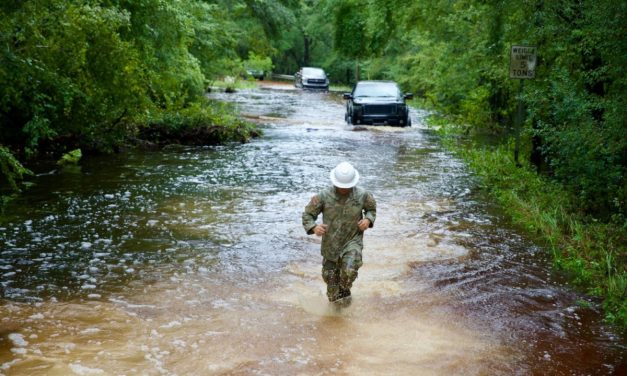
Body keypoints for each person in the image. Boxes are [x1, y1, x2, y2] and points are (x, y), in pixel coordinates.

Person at [302, 162, 377, 306]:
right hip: (331, 244)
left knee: (348, 272)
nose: (344, 189)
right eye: (341, 186)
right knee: (332, 290)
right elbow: (307, 215)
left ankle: (345, 291)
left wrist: (368, 219)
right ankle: (338, 315)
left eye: (347, 186)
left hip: (352, 241)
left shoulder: (363, 195)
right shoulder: (323, 196)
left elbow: (371, 209)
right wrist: (314, 227)